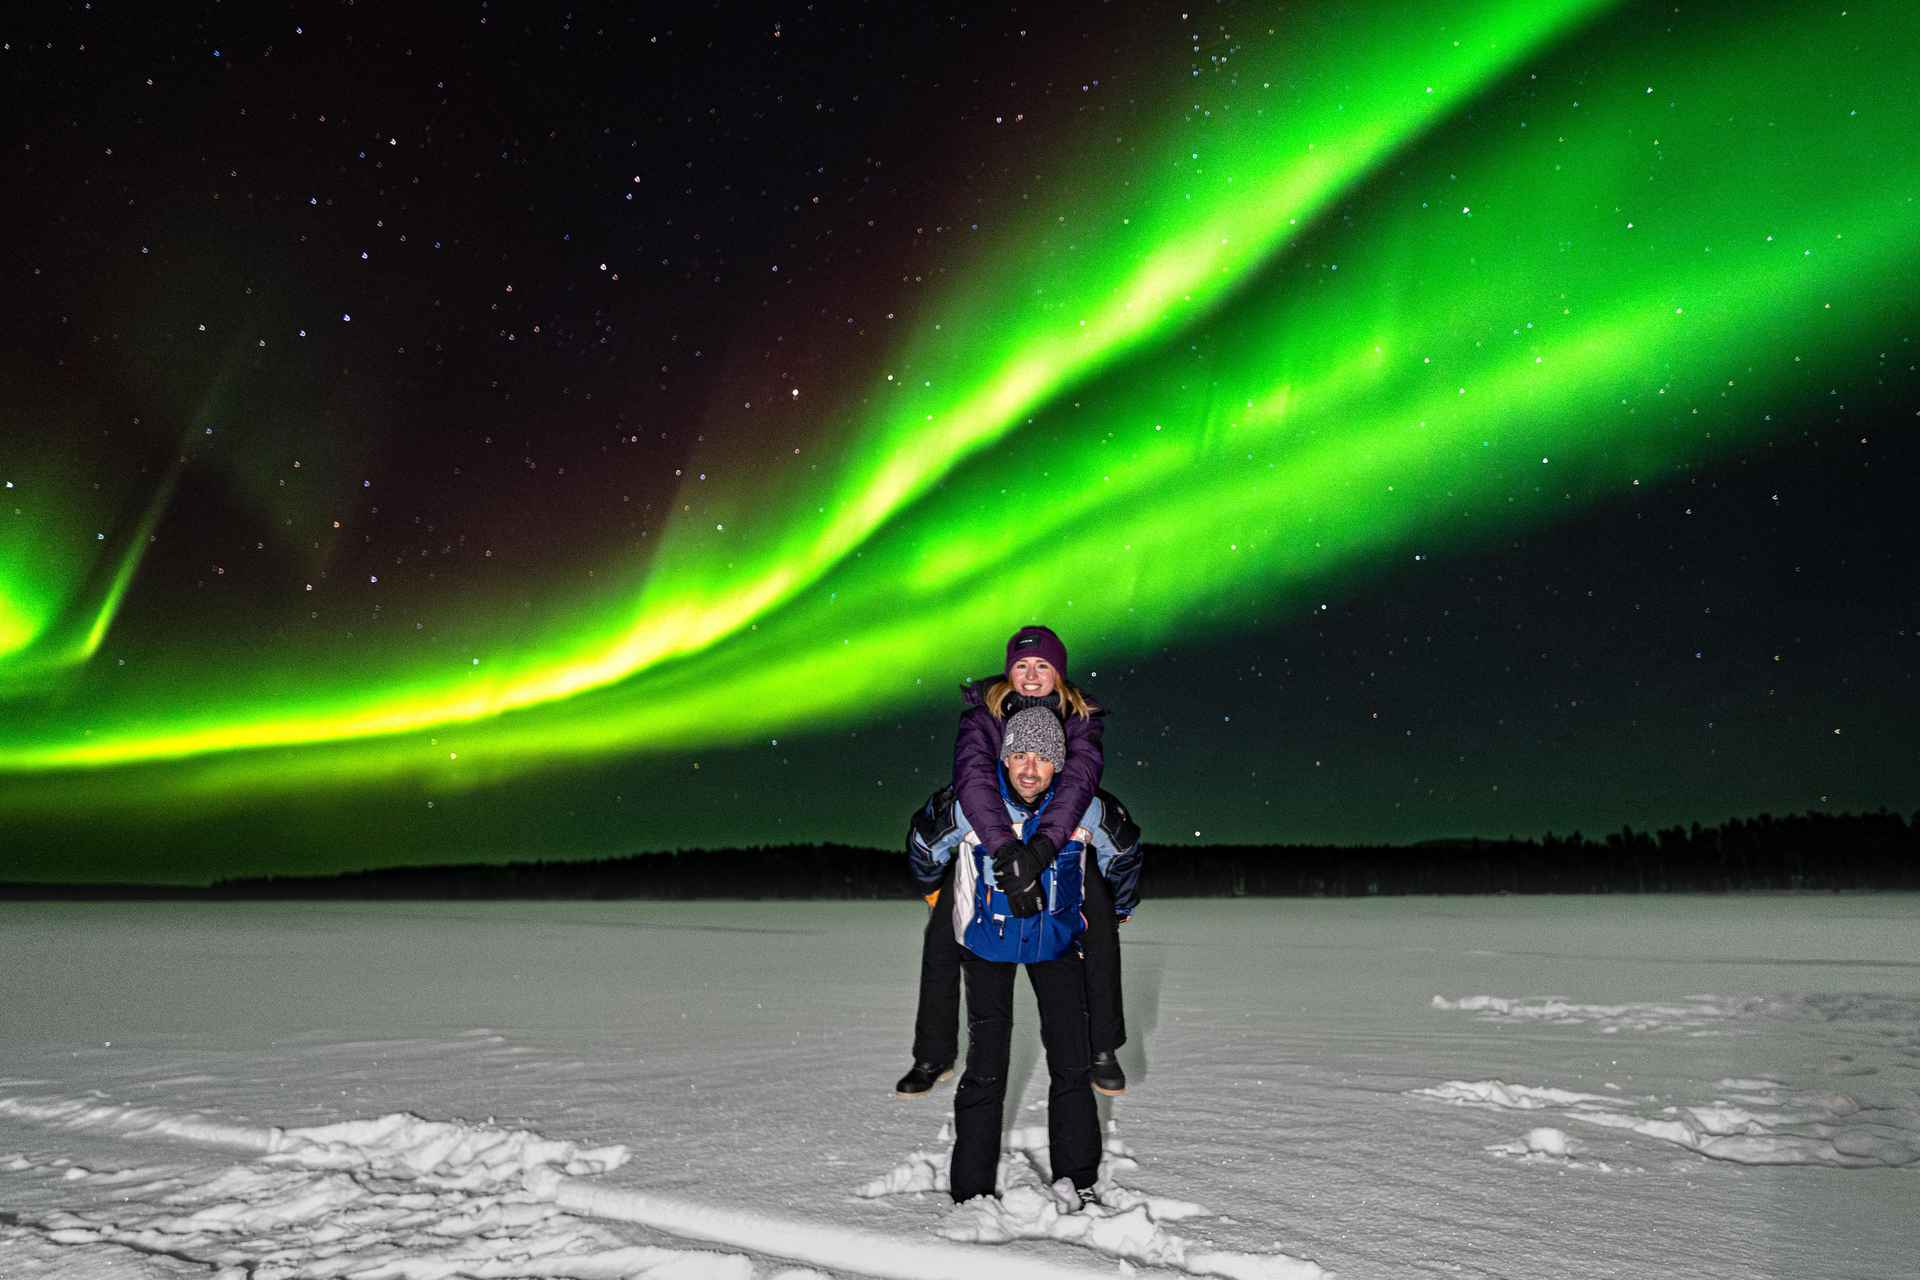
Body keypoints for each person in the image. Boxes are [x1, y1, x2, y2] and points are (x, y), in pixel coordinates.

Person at [896, 625, 1138, 1096]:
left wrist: (1043, 848)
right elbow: (973, 779)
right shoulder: (983, 715)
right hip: (990, 833)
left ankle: (1102, 1049)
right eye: (1022, 665)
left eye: (1042, 666)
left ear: (1058, 672)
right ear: (1009, 670)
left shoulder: (1080, 717)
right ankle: (933, 1054)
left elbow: (1078, 783)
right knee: (942, 938)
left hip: (1060, 835)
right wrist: (1005, 848)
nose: (1030, 675)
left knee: (1100, 927)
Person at [908, 708, 1133, 1208]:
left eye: (1044, 758)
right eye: (1020, 755)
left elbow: (1124, 853)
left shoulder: (1086, 811)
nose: (1030, 769)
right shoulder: (971, 808)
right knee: (986, 1066)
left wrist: (1116, 909)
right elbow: (924, 845)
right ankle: (971, 1192)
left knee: (1072, 1064)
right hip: (987, 948)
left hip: (1056, 946)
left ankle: (1078, 1180)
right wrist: (935, 893)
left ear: (1060, 764)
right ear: (1004, 758)